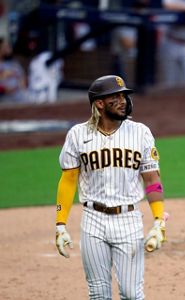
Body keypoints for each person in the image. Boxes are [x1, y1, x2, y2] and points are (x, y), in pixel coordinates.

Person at [54, 75, 168, 299]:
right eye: (115, 97)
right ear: (99, 103)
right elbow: (68, 180)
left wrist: (158, 220)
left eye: (124, 95)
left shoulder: (140, 133)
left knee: (131, 294)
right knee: (98, 293)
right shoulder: (78, 135)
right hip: (92, 220)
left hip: (129, 219)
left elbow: (152, 179)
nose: (123, 100)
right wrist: (60, 224)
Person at [0, 37, 27, 103]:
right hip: (3, 100)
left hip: (19, 99)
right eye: (6, 46)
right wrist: (4, 90)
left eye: (9, 45)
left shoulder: (15, 64)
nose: (9, 48)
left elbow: (23, 81)